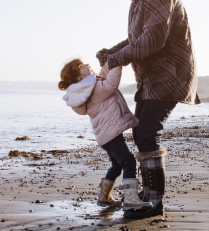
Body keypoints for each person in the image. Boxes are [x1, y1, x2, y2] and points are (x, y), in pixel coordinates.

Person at [96, 0, 198, 219]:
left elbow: (152, 41)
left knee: (147, 133)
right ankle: (147, 196)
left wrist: (116, 58)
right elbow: (136, 38)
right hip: (154, 79)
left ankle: (154, 202)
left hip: (168, 76)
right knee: (142, 132)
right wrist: (112, 52)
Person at [58, 58, 151, 212]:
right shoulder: (94, 89)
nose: (87, 64)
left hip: (105, 136)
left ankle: (104, 196)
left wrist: (111, 60)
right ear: (79, 78)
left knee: (117, 164)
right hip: (110, 134)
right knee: (128, 162)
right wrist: (118, 61)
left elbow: (103, 75)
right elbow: (111, 84)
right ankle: (130, 198)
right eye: (81, 66)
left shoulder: (88, 87)